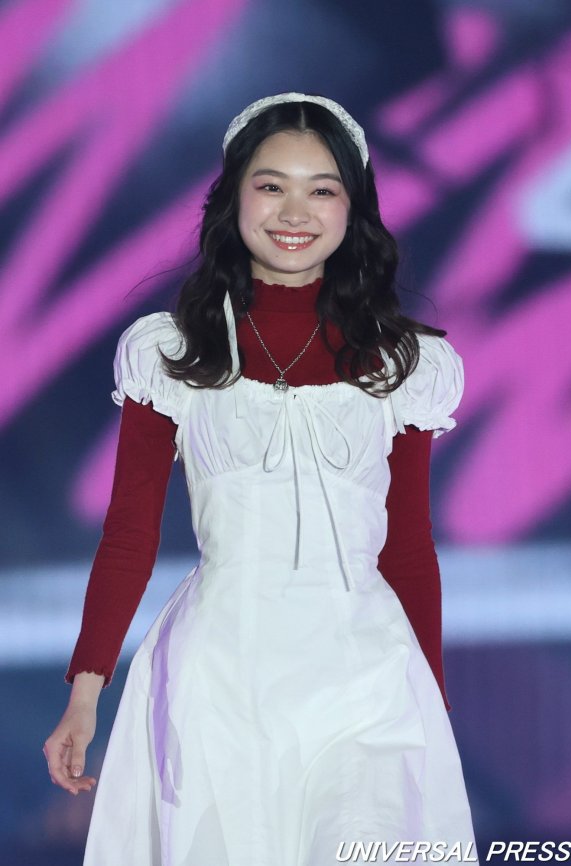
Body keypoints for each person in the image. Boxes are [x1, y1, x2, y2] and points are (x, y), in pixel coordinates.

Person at [44, 92, 478, 863]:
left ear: (352, 209)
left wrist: (432, 703)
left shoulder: (404, 363)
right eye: (272, 185)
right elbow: (130, 533)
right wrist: (86, 693)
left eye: (322, 189)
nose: (294, 211)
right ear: (233, 197)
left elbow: (409, 546)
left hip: (366, 677)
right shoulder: (171, 352)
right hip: (222, 677)